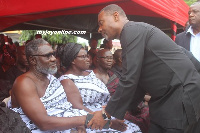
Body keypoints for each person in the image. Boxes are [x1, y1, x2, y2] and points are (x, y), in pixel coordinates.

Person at [88, 4, 200, 133]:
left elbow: (130, 78)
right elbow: (138, 81)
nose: (99, 29)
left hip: (180, 96)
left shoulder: (131, 29)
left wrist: (106, 113)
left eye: (101, 23)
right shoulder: (135, 33)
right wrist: (120, 111)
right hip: (166, 98)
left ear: (116, 16)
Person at [8, 38, 91, 133]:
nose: (53, 59)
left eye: (53, 54)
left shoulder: (51, 79)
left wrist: (79, 125)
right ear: (33, 60)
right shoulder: (24, 83)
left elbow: (65, 108)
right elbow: (44, 123)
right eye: (47, 56)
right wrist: (82, 120)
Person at [58, 43, 141, 133]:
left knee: (136, 128)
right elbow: (80, 108)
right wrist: (108, 121)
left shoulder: (90, 73)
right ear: (73, 60)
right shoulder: (67, 81)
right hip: (92, 120)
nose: (88, 59)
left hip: (106, 114)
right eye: (83, 57)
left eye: (87, 56)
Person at [94, 49, 150, 133]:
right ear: (98, 59)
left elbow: (124, 92)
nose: (110, 60)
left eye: (111, 58)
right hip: (110, 109)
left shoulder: (113, 75)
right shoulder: (92, 77)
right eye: (107, 58)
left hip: (126, 105)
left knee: (149, 113)